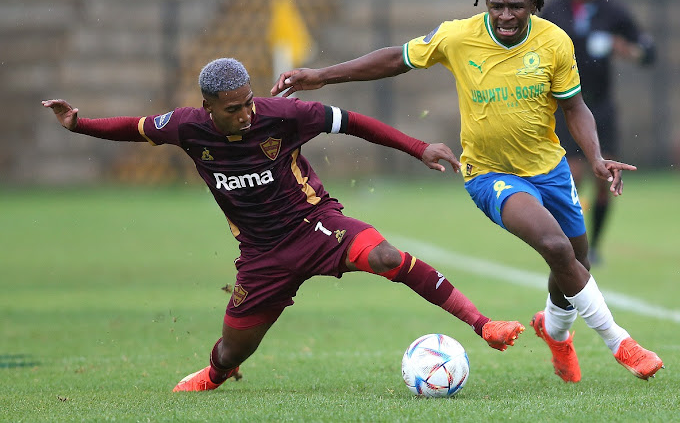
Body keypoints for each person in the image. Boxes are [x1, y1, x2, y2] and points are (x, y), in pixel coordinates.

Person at [273, 0, 663, 383]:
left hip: (549, 169)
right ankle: (620, 342)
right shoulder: (458, 35)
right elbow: (394, 59)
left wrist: (597, 157)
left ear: (534, 3)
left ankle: (556, 332)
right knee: (555, 245)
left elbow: (575, 107)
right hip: (489, 174)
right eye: (497, 6)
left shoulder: (555, 42)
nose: (505, 15)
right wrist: (322, 76)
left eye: (516, 6)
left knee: (575, 259)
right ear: (486, 3)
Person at [42, 58, 524, 393]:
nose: (246, 113)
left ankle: (483, 326)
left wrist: (418, 148)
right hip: (262, 257)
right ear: (208, 108)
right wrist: (78, 124)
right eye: (233, 108)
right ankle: (216, 373)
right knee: (233, 350)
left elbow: (354, 121)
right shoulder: (185, 127)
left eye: (249, 101)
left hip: (315, 226)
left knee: (386, 256)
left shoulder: (284, 115)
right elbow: (135, 127)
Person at [541, 0, 656, 264]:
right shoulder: (554, 11)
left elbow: (648, 52)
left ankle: (595, 247)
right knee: (573, 176)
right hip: (565, 106)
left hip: (601, 107)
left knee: (605, 179)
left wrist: (627, 50)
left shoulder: (612, 10)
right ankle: (568, 243)